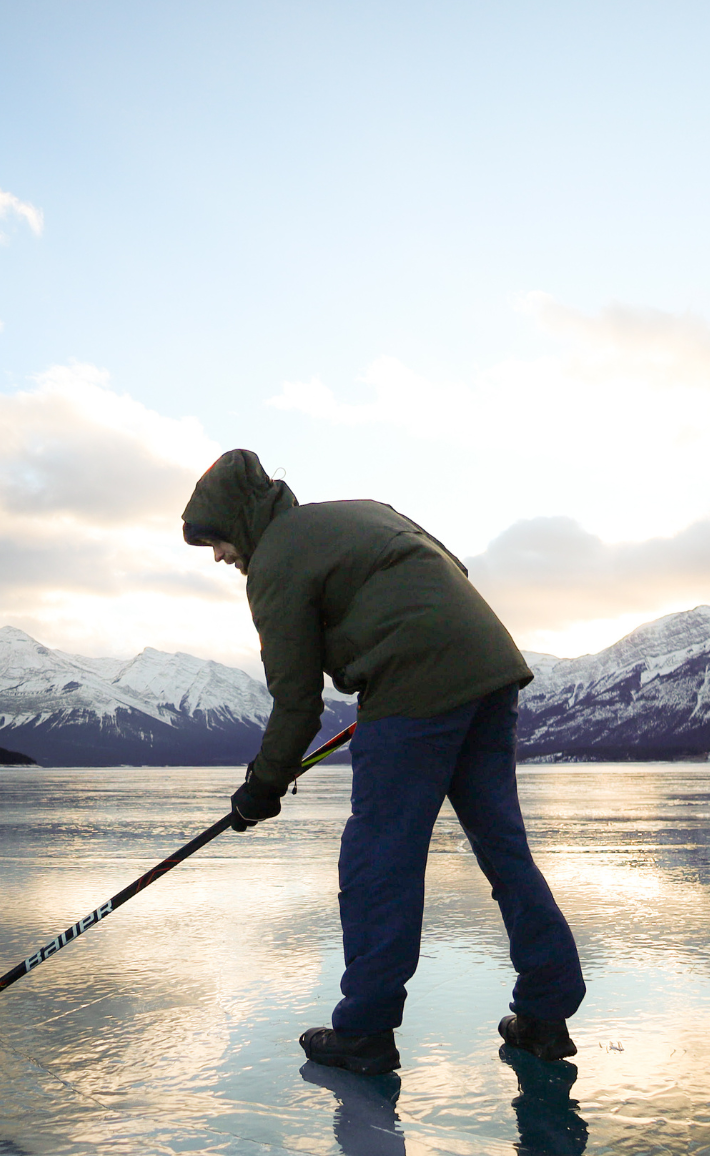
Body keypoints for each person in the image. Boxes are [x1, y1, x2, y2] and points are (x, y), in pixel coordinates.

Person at [182, 448, 584, 1074]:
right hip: (489, 668)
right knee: (504, 848)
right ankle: (546, 1012)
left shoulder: (277, 561)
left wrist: (261, 787)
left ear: (239, 522)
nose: (219, 557)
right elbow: (454, 568)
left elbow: (296, 703)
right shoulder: (363, 511)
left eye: (217, 541)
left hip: (413, 687)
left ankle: (365, 1030)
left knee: (380, 859)